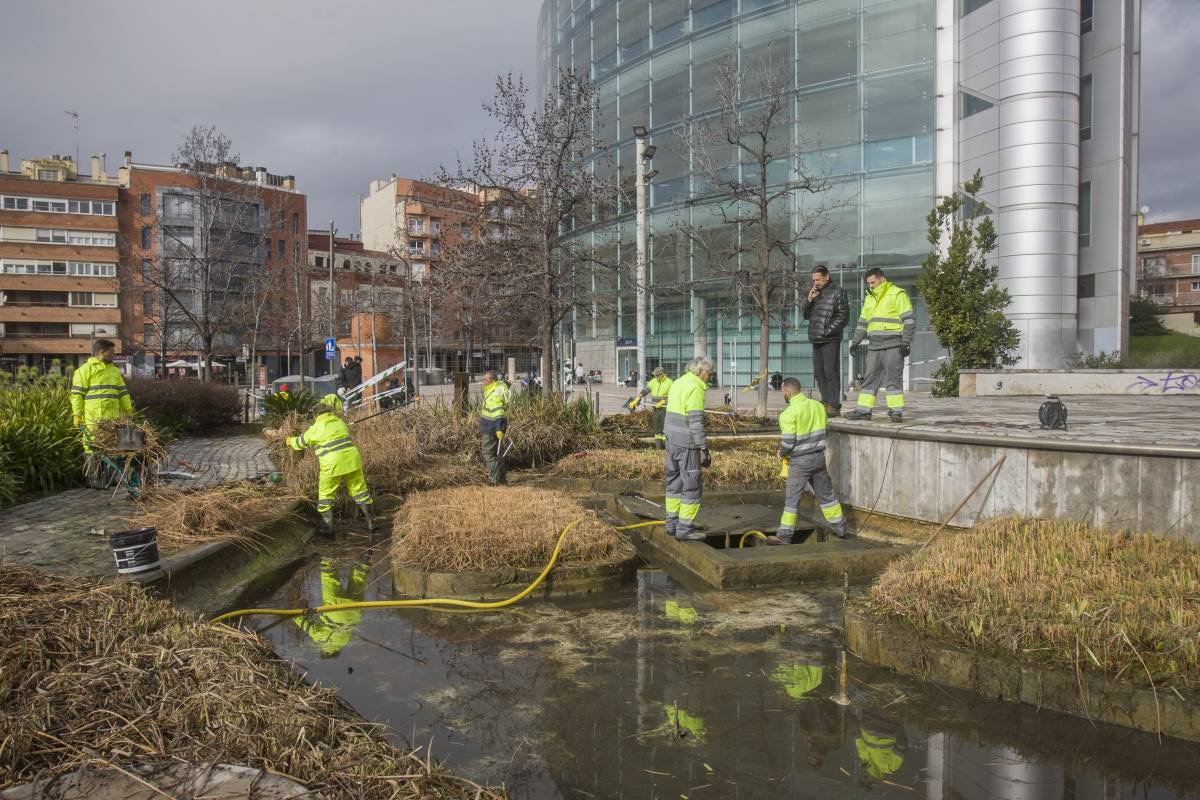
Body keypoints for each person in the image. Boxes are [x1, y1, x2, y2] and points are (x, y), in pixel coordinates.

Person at [767, 377, 848, 543]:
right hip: (818, 457)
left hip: (800, 462)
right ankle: (840, 527)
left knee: (792, 499)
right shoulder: (818, 406)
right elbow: (825, 429)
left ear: (787, 391)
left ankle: (784, 535)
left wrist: (781, 453)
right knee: (827, 495)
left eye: (782, 391)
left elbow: (788, 442)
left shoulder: (788, 414)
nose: (783, 394)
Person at [286, 394, 373, 534]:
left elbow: (299, 443)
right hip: (353, 460)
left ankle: (328, 528)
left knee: (326, 495)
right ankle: (370, 523)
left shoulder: (315, 428)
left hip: (332, 464)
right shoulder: (340, 423)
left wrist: (289, 440)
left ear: (316, 415)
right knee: (360, 491)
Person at [845, 267, 914, 422]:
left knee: (893, 379)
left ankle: (896, 412)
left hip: (894, 345)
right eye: (868, 283)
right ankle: (863, 411)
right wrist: (855, 341)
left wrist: (905, 342)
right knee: (869, 379)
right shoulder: (870, 297)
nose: (870, 286)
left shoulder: (897, 293)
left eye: (873, 282)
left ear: (882, 279)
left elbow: (909, 321)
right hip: (874, 345)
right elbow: (863, 323)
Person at [663, 355, 715, 541]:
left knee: (674, 482)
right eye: (709, 373)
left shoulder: (678, 382)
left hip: (672, 441)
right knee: (692, 485)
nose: (710, 377)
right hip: (687, 444)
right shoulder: (695, 388)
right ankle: (684, 529)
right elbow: (695, 423)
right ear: (700, 371)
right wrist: (704, 448)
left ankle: (672, 524)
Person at [70, 338, 133, 458]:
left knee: (113, 454)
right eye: (111, 352)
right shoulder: (85, 370)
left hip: (113, 421)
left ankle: (109, 476)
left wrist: (128, 411)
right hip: (94, 422)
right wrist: (77, 415)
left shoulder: (114, 371)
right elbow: (77, 395)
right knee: (94, 453)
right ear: (102, 352)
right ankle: (95, 476)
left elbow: (123, 393)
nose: (114, 355)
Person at [293, 559, 368, 657]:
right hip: (334, 609)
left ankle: (366, 558)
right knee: (329, 579)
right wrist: (293, 617)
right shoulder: (319, 639)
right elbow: (304, 624)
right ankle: (327, 556)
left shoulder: (344, 642)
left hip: (354, 610)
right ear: (323, 651)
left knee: (358, 581)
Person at [802, 264, 850, 417]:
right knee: (819, 372)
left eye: (818, 279)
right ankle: (825, 401)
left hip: (830, 339)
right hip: (816, 339)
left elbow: (843, 317)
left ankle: (833, 405)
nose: (816, 282)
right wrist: (809, 300)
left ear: (827, 276)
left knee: (831, 372)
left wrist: (827, 331)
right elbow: (806, 316)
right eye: (814, 280)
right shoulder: (816, 294)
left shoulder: (838, 292)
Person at [479, 370, 511, 485]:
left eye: (485, 380)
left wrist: (498, 428)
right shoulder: (496, 389)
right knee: (498, 454)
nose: (483, 382)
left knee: (488, 454)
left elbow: (499, 412)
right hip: (495, 427)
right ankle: (502, 480)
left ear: (492, 380)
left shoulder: (494, 393)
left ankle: (494, 480)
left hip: (491, 427)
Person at [634, 367, 673, 449]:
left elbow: (673, 395)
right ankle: (659, 448)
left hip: (665, 408)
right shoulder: (653, 381)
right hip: (655, 408)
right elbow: (646, 390)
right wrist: (638, 398)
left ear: (662, 374)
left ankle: (667, 448)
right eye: (655, 375)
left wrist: (663, 402)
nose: (656, 377)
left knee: (664, 427)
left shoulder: (669, 382)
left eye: (657, 375)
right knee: (657, 428)